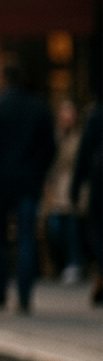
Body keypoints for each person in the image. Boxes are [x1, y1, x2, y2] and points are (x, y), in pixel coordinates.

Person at [0, 63, 55, 313]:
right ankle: (24, 295)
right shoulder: (39, 108)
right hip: (28, 183)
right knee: (26, 238)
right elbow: (49, 148)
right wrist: (37, 173)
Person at [43, 101, 83, 284]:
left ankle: (74, 263)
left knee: (72, 228)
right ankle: (59, 264)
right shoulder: (53, 136)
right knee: (55, 228)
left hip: (73, 187)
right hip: (57, 188)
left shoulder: (79, 137)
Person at [70, 104, 101, 306]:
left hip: (99, 179)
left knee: (98, 230)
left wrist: (76, 185)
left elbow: (84, 152)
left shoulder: (95, 115)